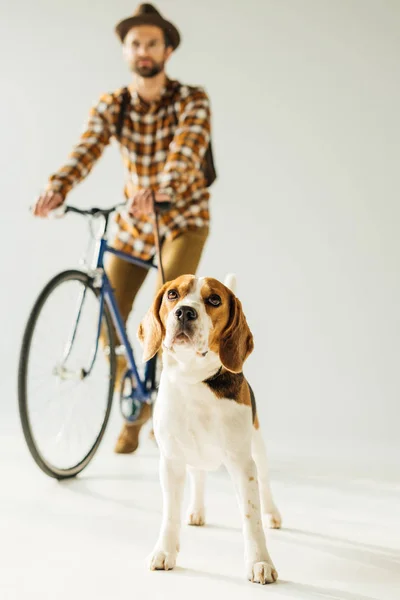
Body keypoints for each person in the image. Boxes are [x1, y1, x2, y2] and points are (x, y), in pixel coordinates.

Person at [33, 3, 212, 454]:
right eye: (135, 43)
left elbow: (186, 152)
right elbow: (87, 148)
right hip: (134, 223)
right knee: (108, 323)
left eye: (152, 42)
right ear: (126, 50)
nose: (143, 50)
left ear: (167, 48)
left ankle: (167, 413)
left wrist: (162, 188)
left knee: (173, 311)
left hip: (182, 218)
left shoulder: (191, 99)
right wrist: (57, 188)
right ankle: (136, 402)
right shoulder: (113, 105)